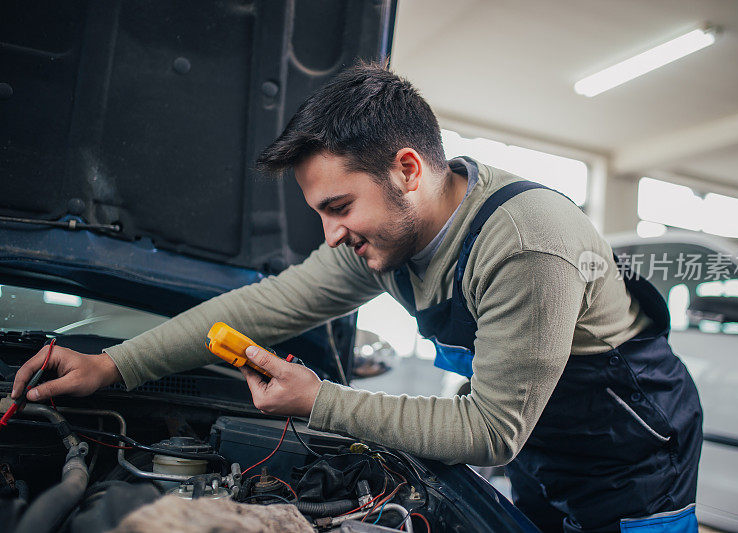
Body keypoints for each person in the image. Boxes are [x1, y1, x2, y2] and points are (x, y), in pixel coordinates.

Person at [11, 63, 702, 532]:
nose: (331, 234)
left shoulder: (524, 241)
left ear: (408, 170)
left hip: (630, 443)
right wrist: (113, 366)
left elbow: (491, 431)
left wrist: (319, 400)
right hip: (542, 435)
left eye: (339, 205)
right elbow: (258, 307)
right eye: (319, 211)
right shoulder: (384, 240)